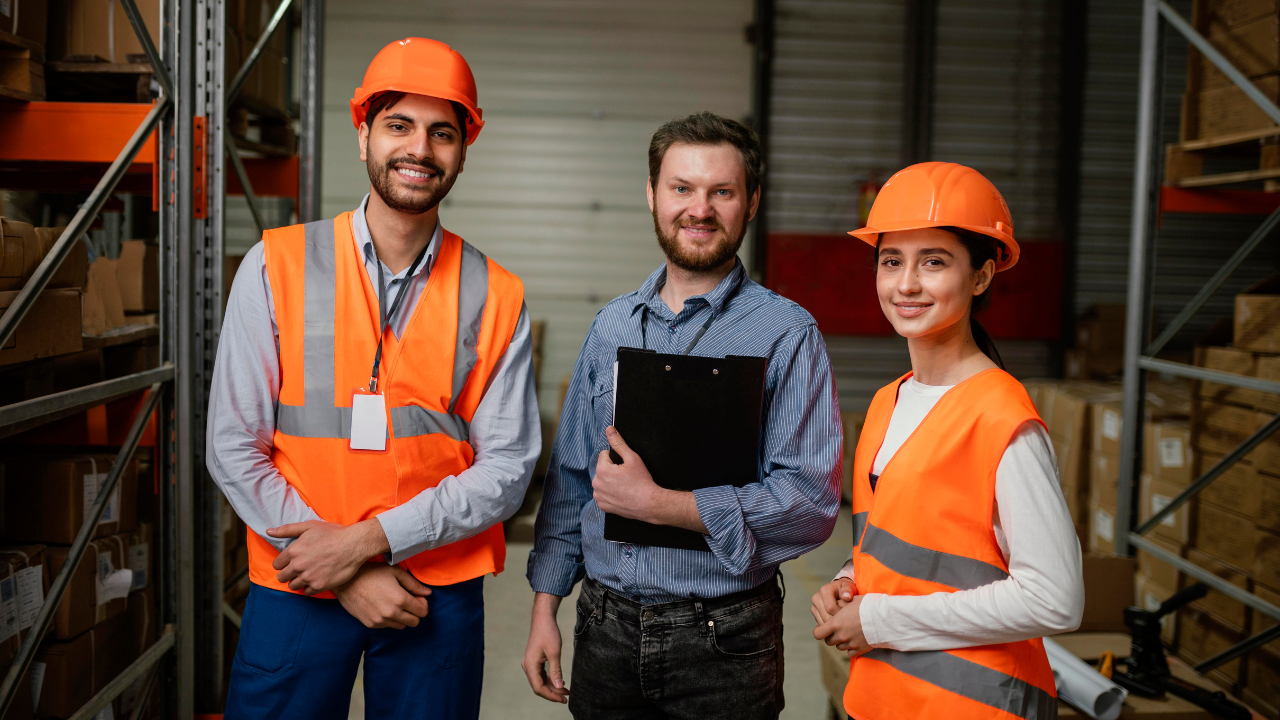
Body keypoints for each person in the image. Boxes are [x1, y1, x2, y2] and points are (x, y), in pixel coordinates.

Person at [206, 38, 539, 720]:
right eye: (399, 125)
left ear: (463, 150)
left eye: (442, 132)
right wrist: (341, 572)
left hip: (433, 591)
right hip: (298, 580)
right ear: (363, 136)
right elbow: (232, 445)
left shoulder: (495, 294)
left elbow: (508, 467)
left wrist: (364, 545)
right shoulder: (277, 267)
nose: (420, 148)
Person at [522, 111, 843, 720]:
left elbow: (810, 503)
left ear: (750, 203)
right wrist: (546, 609)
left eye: (722, 191)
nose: (700, 209)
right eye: (682, 189)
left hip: (724, 640)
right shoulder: (612, 324)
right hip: (604, 628)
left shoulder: (786, 334)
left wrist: (662, 505)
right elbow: (569, 482)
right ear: (651, 195)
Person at [810, 161, 1084, 720]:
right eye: (891, 262)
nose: (906, 283)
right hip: (887, 698)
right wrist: (848, 580)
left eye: (933, 262)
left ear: (982, 276)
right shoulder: (889, 402)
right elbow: (910, 537)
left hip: (976, 707)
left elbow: (1055, 598)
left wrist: (881, 620)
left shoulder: (1002, 417)